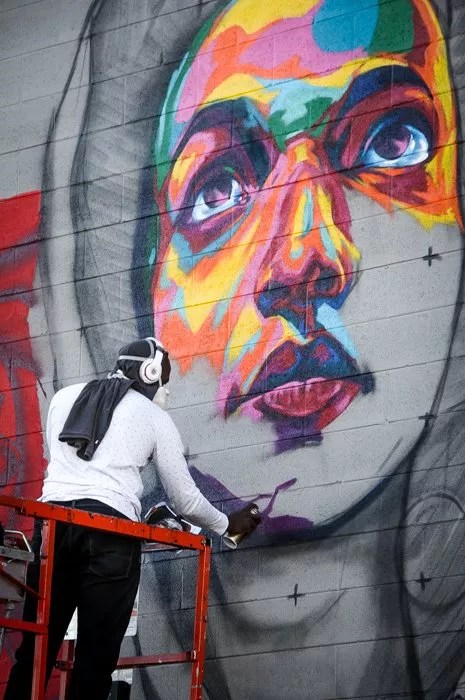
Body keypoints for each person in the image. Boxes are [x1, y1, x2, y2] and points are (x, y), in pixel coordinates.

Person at [4, 337, 261, 700]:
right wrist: (224, 524)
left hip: (52, 527)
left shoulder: (62, 398)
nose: (165, 387)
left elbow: (64, 470)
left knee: (34, 652)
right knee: (94, 662)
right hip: (110, 534)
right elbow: (184, 498)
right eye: (163, 377)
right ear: (149, 372)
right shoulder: (154, 417)